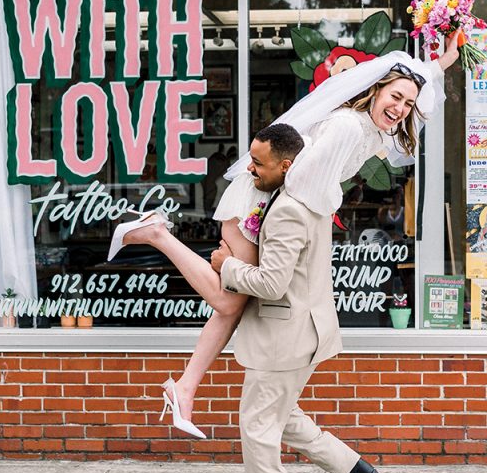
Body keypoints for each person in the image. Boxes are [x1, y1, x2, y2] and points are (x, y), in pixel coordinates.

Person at [109, 43, 460, 438]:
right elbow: (300, 181)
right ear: (375, 89)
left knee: (230, 310)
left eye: (409, 104)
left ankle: (185, 387)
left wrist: (441, 63)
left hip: (272, 208)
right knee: (228, 301)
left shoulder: (372, 129)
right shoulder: (347, 126)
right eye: (395, 96)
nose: (401, 108)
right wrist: (321, 216)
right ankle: (157, 233)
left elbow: (419, 85)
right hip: (259, 204)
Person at [209, 122, 377, 473]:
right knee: (282, 416)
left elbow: (270, 283)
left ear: (287, 165)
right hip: (305, 329)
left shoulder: (287, 209)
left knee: (258, 427)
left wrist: (224, 265)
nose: (250, 169)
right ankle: (353, 468)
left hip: (284, 335)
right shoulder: (312, 197)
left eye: (258, 162)